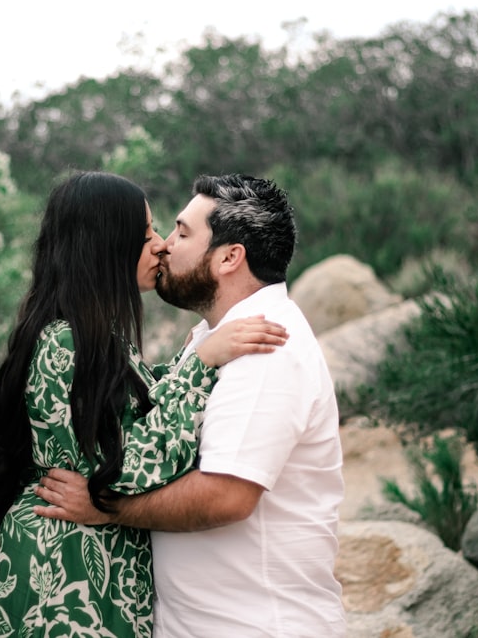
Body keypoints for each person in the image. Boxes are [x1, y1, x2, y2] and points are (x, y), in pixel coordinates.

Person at [0, 171, 289, 638]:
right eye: (146, 235)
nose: (161, 245)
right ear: (106, 249)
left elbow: (135, 405)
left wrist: (188, 358)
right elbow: (127, 467)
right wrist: (200, 363)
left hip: (92, 559)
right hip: (65, 567)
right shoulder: (65, 343)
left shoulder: (95, 338)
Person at [35, 174, 347, 636]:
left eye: (182, 232)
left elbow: (227, 496)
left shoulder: (264, 348)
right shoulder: (215, 340)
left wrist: (106, 506)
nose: (165, 246)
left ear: (228, 257)